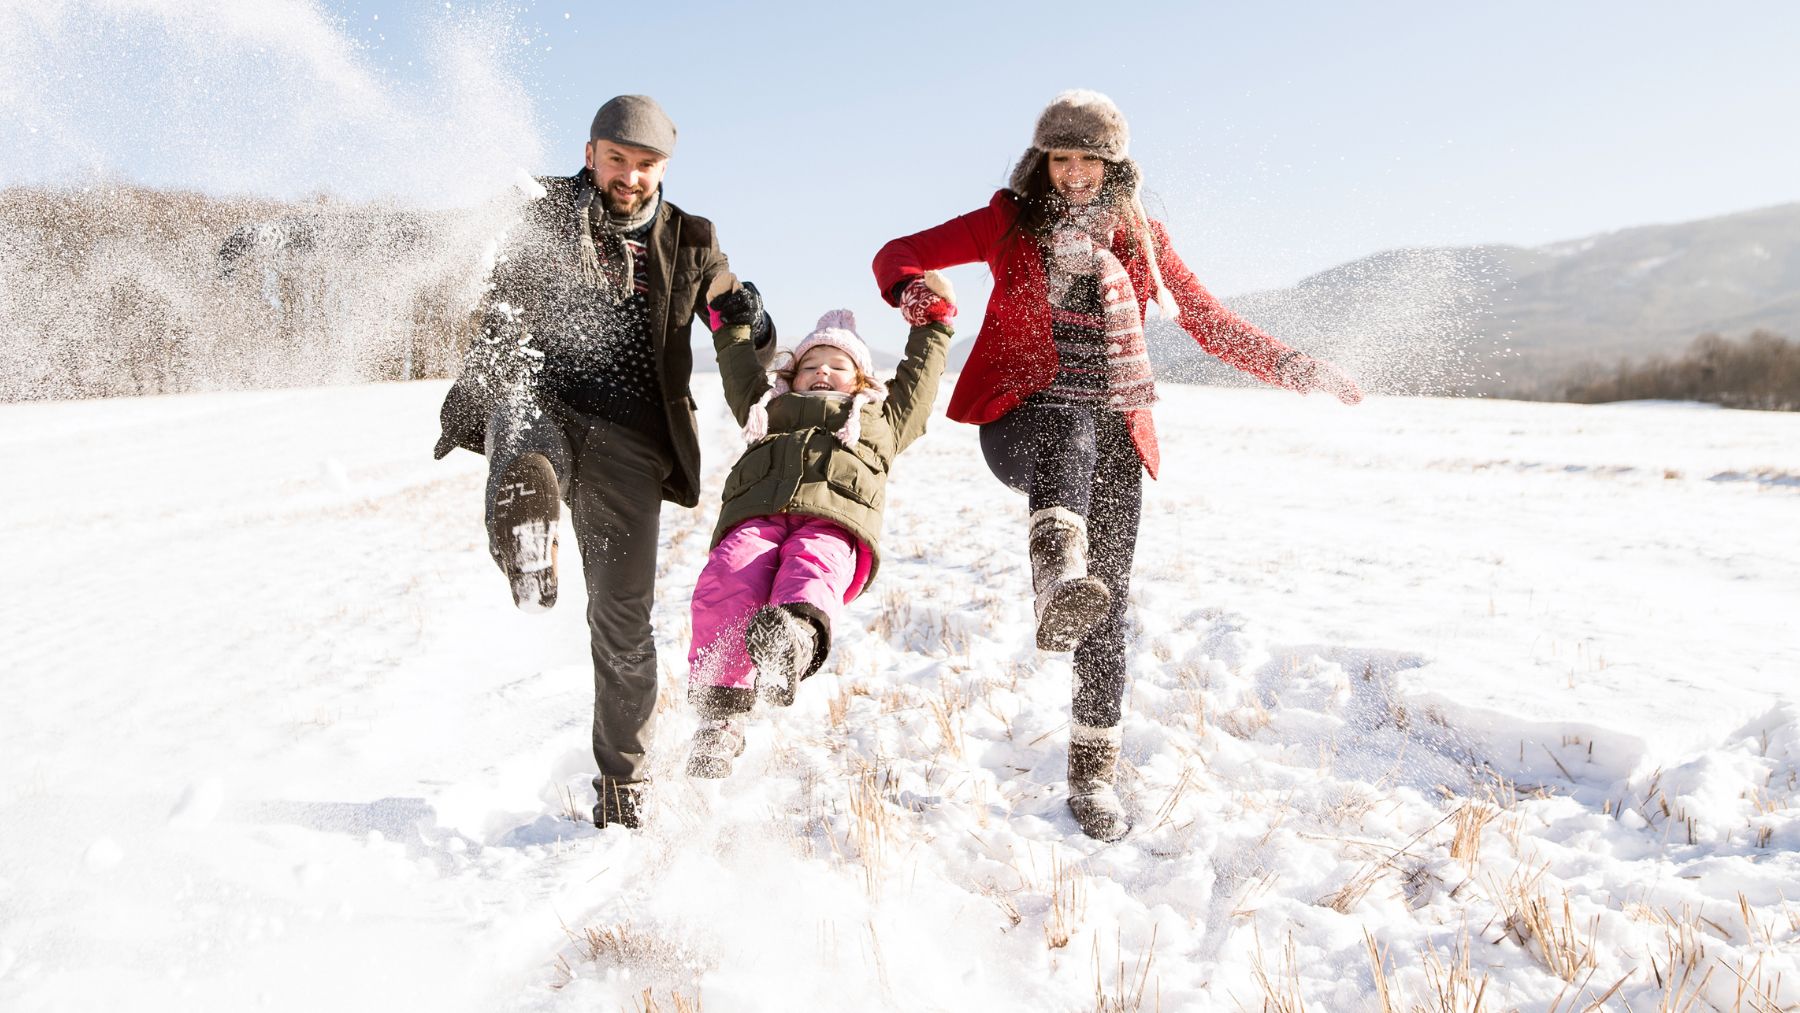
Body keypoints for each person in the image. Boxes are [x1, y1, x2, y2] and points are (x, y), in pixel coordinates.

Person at [871, 90, 1362, 842]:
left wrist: (1300, 369)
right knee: (1071, 420)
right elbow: (898, 253)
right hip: (1020, 420)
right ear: (1042, 162)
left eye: (1088, 160)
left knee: (1109, 604)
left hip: (1116, 432)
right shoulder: (1008, 220)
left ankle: (1092, 771)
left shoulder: (1141, 237)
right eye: (1059, 159)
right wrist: (916, 296)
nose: (1072, 174)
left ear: (1113, 165)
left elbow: (1205, 320)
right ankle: (1053, 572)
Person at [432, 95, 774, 829]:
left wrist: (754, 322)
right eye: (616, 159)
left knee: (621, 620)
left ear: (663, 169)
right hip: (545, 396)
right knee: (522, 427)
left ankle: (625, 787)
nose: (630, 176)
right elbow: (450, 249)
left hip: (632, 440)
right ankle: (525, 535)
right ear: (590, 154)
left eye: (645, 164)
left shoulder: (692, 242)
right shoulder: (543, 209)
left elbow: (732, 324)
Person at [684, 277, 957, 778]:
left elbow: (918, 383)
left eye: (837, 365)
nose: (822, 372)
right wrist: (729, 323)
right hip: (758, 518)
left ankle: (791, 641)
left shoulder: (881, 417)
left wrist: (934, 324)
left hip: (833, 522)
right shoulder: (767, 407)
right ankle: (719, 718)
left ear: (859, 379)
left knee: (811, 566)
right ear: (792, 374)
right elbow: (738, 368)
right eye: (810, 365)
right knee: (728, 574)